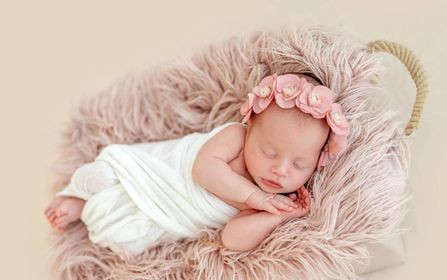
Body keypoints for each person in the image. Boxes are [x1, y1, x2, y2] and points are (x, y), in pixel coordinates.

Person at [44, 72, 350, 256]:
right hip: (153, 173)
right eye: (269, 152)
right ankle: (77, 195)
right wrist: (255, 197)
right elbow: (203, 169)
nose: (281, 170)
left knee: (128, 240)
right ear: (251, 127)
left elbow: (232, 239)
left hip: (170, 213)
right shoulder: (236, 137)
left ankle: (89, 211)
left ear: (318, 162)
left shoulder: (275, 201)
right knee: (100, 175)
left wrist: (276, 216)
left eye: (300, 165)